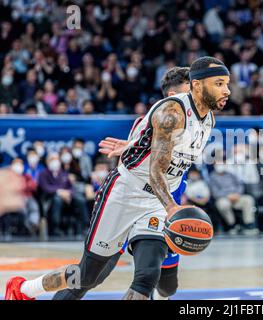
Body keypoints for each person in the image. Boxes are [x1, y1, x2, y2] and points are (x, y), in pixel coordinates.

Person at [5, 56, 230, 300]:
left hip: (156, 202)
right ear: (197, 85)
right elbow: (155, 171)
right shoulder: (172, 113)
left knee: (147, 277)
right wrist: (173, 208)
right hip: (126, 192)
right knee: (88, 275)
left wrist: (134, 144)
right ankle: (24, 289)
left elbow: (168, 152)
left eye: (227, 84)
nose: (227, 90)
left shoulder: (208, 118)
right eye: (219, 83)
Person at [53, 66, 191, 301]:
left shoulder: (200, 122)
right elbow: (142, 157)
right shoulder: (157, 120)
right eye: (191, 91)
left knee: (167, 286)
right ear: (173, 98)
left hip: (164, 209)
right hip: (130, 200)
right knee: (91, 277)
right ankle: (28, 289)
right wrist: (132, 145)